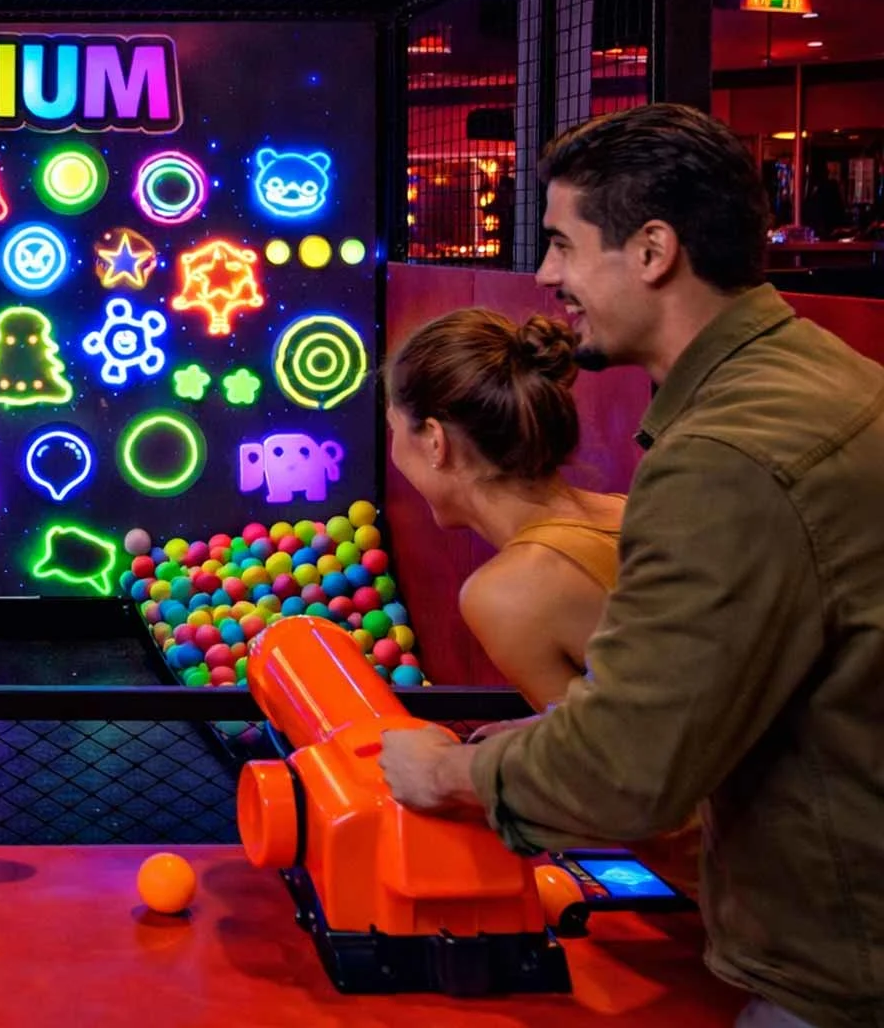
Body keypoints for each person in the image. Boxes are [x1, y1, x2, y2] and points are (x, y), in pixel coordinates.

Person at [378, 102, 884, 1028]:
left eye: (564, 245)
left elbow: (630, 775)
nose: (546, 275)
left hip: (842, 961)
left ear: (652, 251)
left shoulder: (727, 452)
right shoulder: (822, 374)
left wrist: (446, 776)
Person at [386, 308, 626, 713]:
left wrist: (441, 764)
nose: (393, 450)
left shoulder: (506, 592)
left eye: (394, 429)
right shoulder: (627, 511)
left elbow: (596, 762)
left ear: (433, 441)